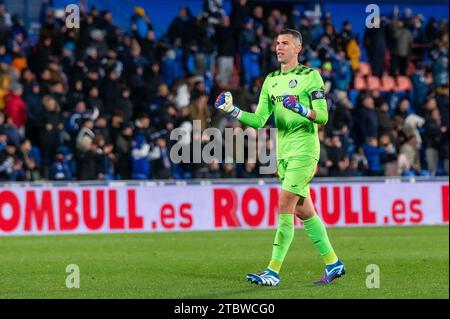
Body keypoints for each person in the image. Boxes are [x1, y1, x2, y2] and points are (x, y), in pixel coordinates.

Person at [213, 29, 345, 286]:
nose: (279, 47)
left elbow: (324, 116)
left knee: (284, 204)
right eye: (276, 43)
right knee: (303, 211)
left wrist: (302, 109)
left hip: (304, 150)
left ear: (298, 48)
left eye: (285, 43)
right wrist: (232, 110)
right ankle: (333, 263)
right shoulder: (271, 80)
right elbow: (260, 120)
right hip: (282, 153)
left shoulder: (310, 76)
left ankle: (272, 271)